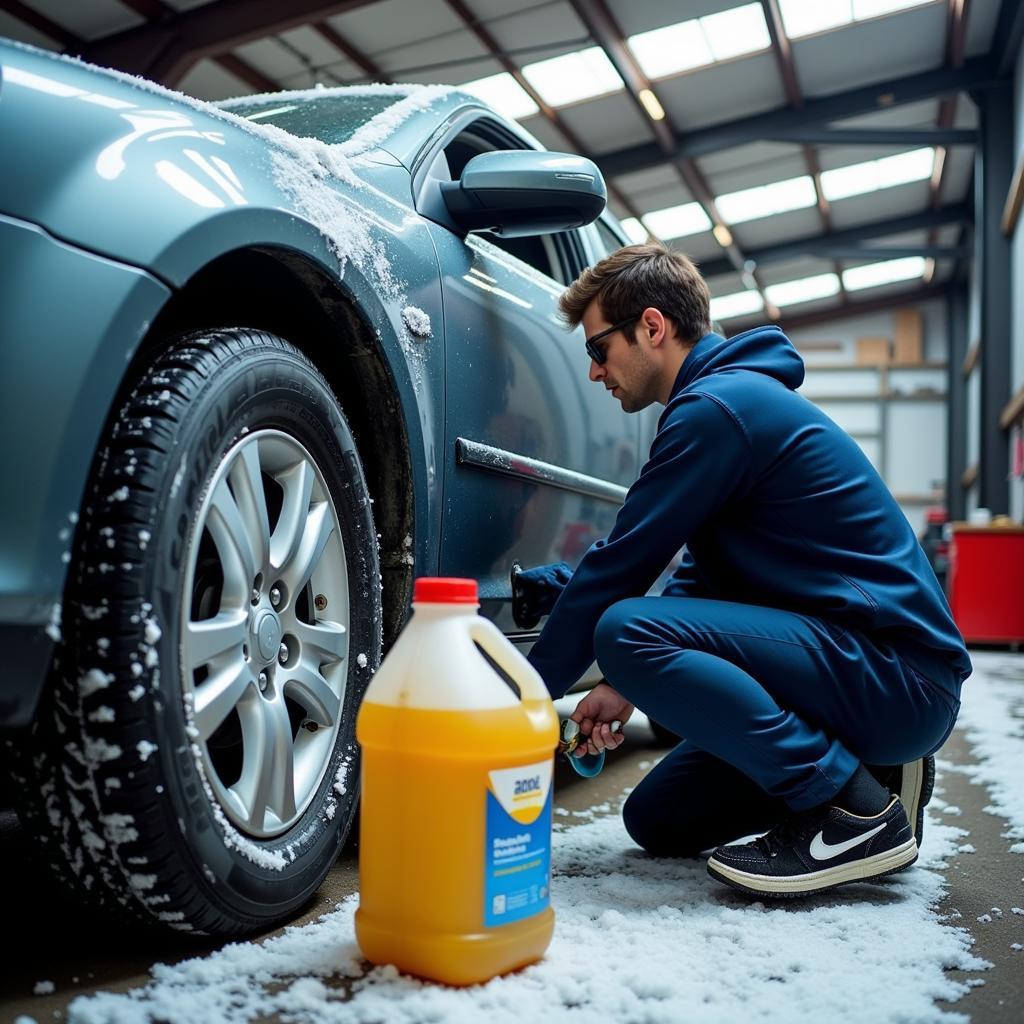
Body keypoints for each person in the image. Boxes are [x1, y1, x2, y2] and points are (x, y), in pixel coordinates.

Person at [517, 242, 970, 898]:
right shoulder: (726, 403)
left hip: (898, 675)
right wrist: (621, 687)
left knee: (624, 627)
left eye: (598, 350)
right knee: (656, 821)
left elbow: (621, 565)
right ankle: (874, 772)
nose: (595, 373)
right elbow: (705, 574)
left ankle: (852, 810)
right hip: (855, 670)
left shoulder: (716, 410)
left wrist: (513, 706)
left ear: (652, 326)